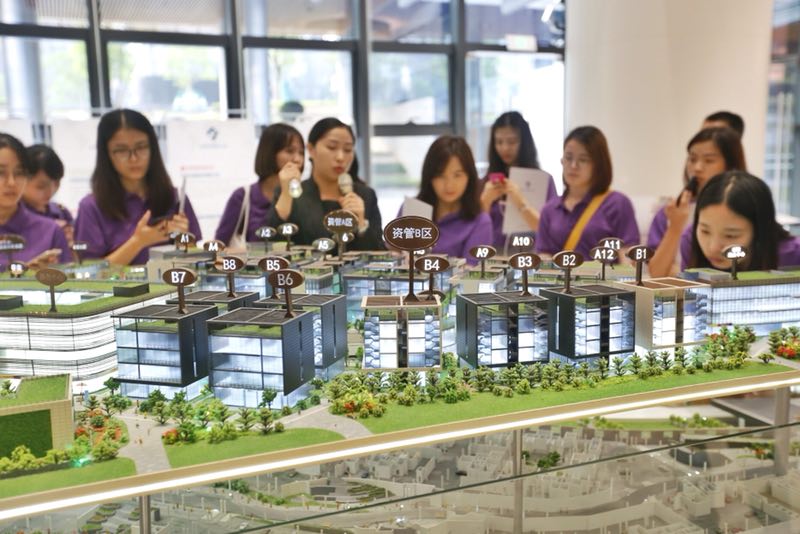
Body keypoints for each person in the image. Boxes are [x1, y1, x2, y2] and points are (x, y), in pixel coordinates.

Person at [74, 109, 202, 265]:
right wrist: (138, 242)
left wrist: (185, 241)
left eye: (141, 147)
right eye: (121, 150)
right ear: (106, 154)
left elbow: (197, 261)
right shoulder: (91, 207)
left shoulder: (175, 198)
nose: (134, 158)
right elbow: (90, 271)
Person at [268, 117, 384, 250]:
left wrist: (361, 224)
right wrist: (285, 195)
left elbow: (381, 253)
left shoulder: (365, 195)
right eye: (332, 147)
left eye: (347, 150)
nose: (340, 157)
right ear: (311, 149)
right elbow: (273, 245)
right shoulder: (292, 194)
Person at [647, 127, 746, 276]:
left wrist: (678, 271)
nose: (697, 168)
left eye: (709, 160)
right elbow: (657, 274)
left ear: (731, 164)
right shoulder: (670, 212)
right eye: (692, 159)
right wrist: (675, 227)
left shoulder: (744, 210)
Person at [535, 126, 639, 259]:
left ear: (598, 165)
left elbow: (627, 256)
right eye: (568, 157)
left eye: (583, 160)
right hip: (558, 273)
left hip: (606, 273)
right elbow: (544, 255)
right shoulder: (549, 209)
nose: (573, 165)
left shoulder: (618, 203)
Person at [684, 171, 800, 271]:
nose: (713, 248)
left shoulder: (794, 256)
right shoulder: (689, 239)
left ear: (760, 230)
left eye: (730, 235)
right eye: (705, 231)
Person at [215, 123, 304, 247]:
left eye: (301, 153)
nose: (297, 159)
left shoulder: (302, 196)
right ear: (270, 152)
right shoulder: (243, 196)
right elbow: (219, 245)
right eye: (289, 151)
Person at [480, 111, 557, 252]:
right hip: (492, 255)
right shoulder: (486, 183)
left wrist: (520, 201)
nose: (505, 148)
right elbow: (475, 228)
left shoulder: (543, 181)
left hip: (531, 254)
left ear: (524, 142)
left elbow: (550, 229)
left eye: (511, 142)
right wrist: (485, 201)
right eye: (499, 142)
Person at [411, 136, 492, 263]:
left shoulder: (480, 222)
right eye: (440, 175)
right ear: (429, 176)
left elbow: (472, 272)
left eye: (457, 175)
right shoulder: (412, 210)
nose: (449, 185)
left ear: (469, 176)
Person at [0, 133, 71, 268]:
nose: (11, 182)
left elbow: (67, 279)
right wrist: (26, 271)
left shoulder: (51, 231)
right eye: (1, 172)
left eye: (19, 173)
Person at [22, 145, 74, 246]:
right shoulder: (13, 216)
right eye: (41, 186)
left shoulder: (62, 212)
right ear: (22, 180)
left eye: (57, 183)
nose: (50, 191)